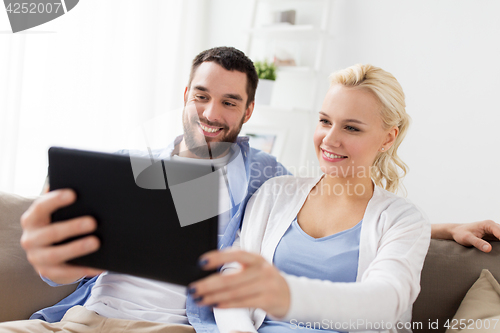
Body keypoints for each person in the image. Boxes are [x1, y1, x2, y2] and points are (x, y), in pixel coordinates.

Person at [1, 48, 498, 332]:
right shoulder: (124, 166)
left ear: (248, 112)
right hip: (81, 316)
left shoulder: (262, 177)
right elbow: (57, 264)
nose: (211, 114)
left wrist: (437, 228)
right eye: (201, 96)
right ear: (185, 96)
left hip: (171, 327)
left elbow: (345, 213)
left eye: (229, 102)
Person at [186, 64, 493, 333]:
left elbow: (386, 301)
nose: (330, 139)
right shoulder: (274, 192)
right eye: (324, 121)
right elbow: (233, 273)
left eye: (351, 127)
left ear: (388, 138)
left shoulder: (402, 219)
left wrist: (286, 295)